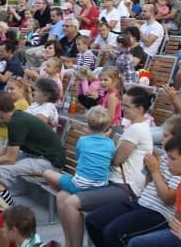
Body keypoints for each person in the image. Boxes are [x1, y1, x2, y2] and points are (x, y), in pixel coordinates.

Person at [57, 87, 153, 247]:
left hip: (124, 188)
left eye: (127, 106)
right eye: (123, 105)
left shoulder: (136, 129)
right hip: (113, 182)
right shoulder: (136, 127)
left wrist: (96, 144)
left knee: (70, 202)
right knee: (62, 196)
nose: (123, 109)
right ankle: (70, 243)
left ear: (140, 109)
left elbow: (116, 160)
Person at [85, 116, 181, 247]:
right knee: (93, 220)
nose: (161, 139)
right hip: (141, 202)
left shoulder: (180, 164)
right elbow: (148, 186)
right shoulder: (165, 157)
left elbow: (168, 198)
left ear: (178, 139)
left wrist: (155, 171)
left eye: (166, 135)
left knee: (112, 233)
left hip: (158, 213)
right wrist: (149, 170)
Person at [44, 106, 115, 193]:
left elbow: (78, 158)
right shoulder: (110, 143)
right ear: (106, 127)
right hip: (101, 187)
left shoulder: (83, 140)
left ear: (88, 125)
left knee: (47, 173)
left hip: (79, 185)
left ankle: (66, 193)